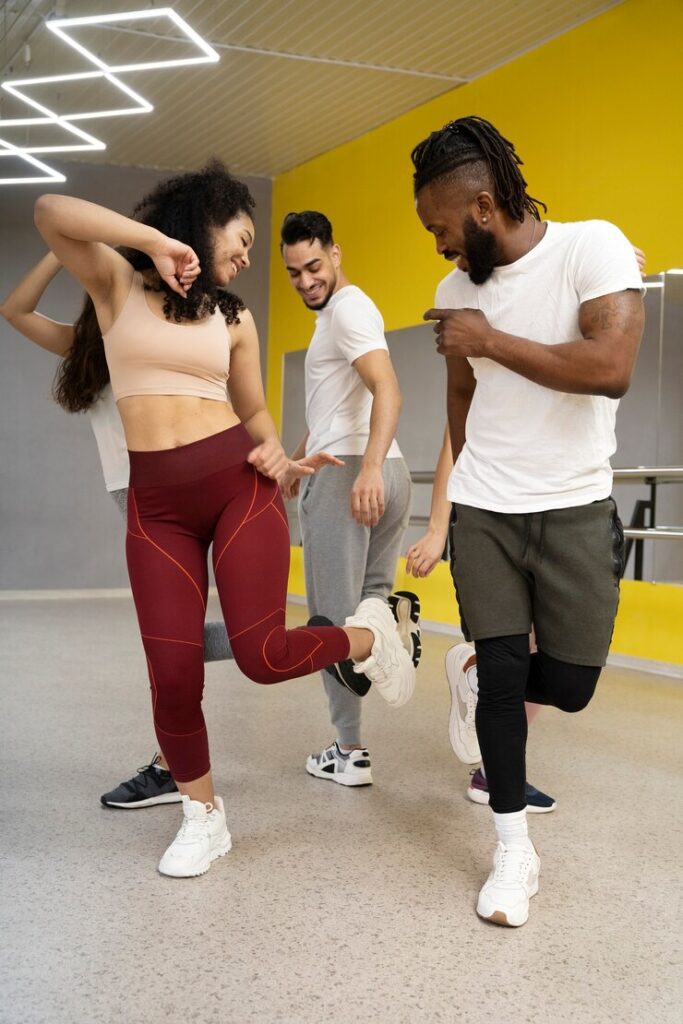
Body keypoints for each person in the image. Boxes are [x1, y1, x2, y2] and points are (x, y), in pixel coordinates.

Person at [32, 160, 416, 877]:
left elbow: (255, 413)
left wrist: (278, 453)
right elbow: (52, 211)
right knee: (172, 674)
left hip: (239, 489)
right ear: (200, 224)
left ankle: (368, 635)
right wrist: (150, 241)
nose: (246, 256)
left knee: (261, 656)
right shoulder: (116, 285)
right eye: (239, 238)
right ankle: (203, 817)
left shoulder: (232, 316)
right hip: (157, 509)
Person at [411, 115, 644, 926]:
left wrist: (491, 338)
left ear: (480, 208)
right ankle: (512, 851)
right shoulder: (452, 294)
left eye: (440, 228)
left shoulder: (593, 249)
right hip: (486, 509)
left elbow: (609, 369)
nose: (438, 246)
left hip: (575, 504)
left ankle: (474, 679)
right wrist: (460, 494)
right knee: (509, 683)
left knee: (572, 683)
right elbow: (460, 394)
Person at [1, 252, 234, 810]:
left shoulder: (160, 335)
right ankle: (307, 639)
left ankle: (171, 766)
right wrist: (60, 249)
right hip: (133, 496)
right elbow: (14, 308)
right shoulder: (92, 346)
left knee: (169, 641)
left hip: (179, 488)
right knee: (171, 638)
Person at [279, 211, 419, 787]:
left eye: (314, 265)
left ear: (336, 253)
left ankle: (349, 749)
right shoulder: (337, 313)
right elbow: (338, 404)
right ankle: (398, 629)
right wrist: (298, 456)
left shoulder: (348, 309)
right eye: (294, 272)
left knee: (331, 625)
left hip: (353, 477)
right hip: (383, 469)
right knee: (370, 607)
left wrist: (362, 469)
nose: (306, 280)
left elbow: (387, 387)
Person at [406, 425, 556, 812]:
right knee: (518, 642)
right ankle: (495, 772)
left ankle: (480, 680)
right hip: (492, 518)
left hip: (554, 514)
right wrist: (438, 529)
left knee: (551, 651)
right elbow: (453, 442)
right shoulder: (484, 366)